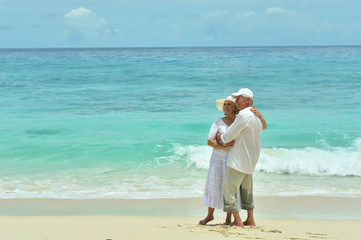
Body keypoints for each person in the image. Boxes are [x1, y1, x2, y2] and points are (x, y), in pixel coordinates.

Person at [199, 95, 266, 225]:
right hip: (218, 158)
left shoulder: (241, 120)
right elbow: (209, 140)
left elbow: (259, 128)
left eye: (229, 104)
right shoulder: (218, 122)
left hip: (233, 158)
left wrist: (260, 116)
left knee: (231, 189)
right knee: (215, 186)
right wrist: (222, 145)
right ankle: (210, 215)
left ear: (235, 107)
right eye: (225, 105)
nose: (226, 107)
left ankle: (229, 219)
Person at [217, 88, 265, 227]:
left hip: (238, 159)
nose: (236, 101)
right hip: (251, 159)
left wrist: (220, 137)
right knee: (247, 190)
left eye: (239, 98)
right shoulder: (256, 116)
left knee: (229, 190)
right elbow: (262, 128)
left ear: (247, 100)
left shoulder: (243, 115)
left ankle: (237, 221)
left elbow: (228, 136)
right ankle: (250, 219)